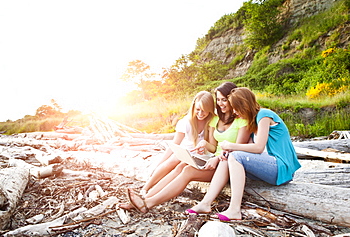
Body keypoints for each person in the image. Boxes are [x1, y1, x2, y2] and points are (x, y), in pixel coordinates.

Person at [121, 82, 251, 213]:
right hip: (213, 161)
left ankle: (148, 203)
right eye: (218, 99)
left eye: (224, 100)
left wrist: (216, 159)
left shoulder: (242, 121)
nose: (221, 103)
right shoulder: (215, 120)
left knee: (187, 171)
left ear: (232, 99)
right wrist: (204, 144)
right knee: (181, 166)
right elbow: (213, 148)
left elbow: (237, 149)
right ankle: (144, 198)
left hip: (227, 165)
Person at [188, 87, 301, 221]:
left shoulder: (264, 115)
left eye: (236, 108)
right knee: (228, 156)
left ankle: (235, 210)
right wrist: (227, 151)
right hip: (270, 166)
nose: (234, 112)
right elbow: (248, 147)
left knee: (234, 155)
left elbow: (258, 148)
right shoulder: (253, 121)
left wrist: (230, 146)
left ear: (244, 105)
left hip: (282, 167)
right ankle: (205, 203)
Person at [139, 90, 216, 196]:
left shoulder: (211, 121)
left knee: (179, 167)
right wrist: (160, 162)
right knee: (173, 160)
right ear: (193, 107)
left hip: (199, 154)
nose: (200, 114)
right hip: (186, 151)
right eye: (198, 109)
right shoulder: (186, 122)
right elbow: (175, 144)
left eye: (204, 110)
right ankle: (146, 187)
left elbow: (211, 146)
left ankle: (155, 192)